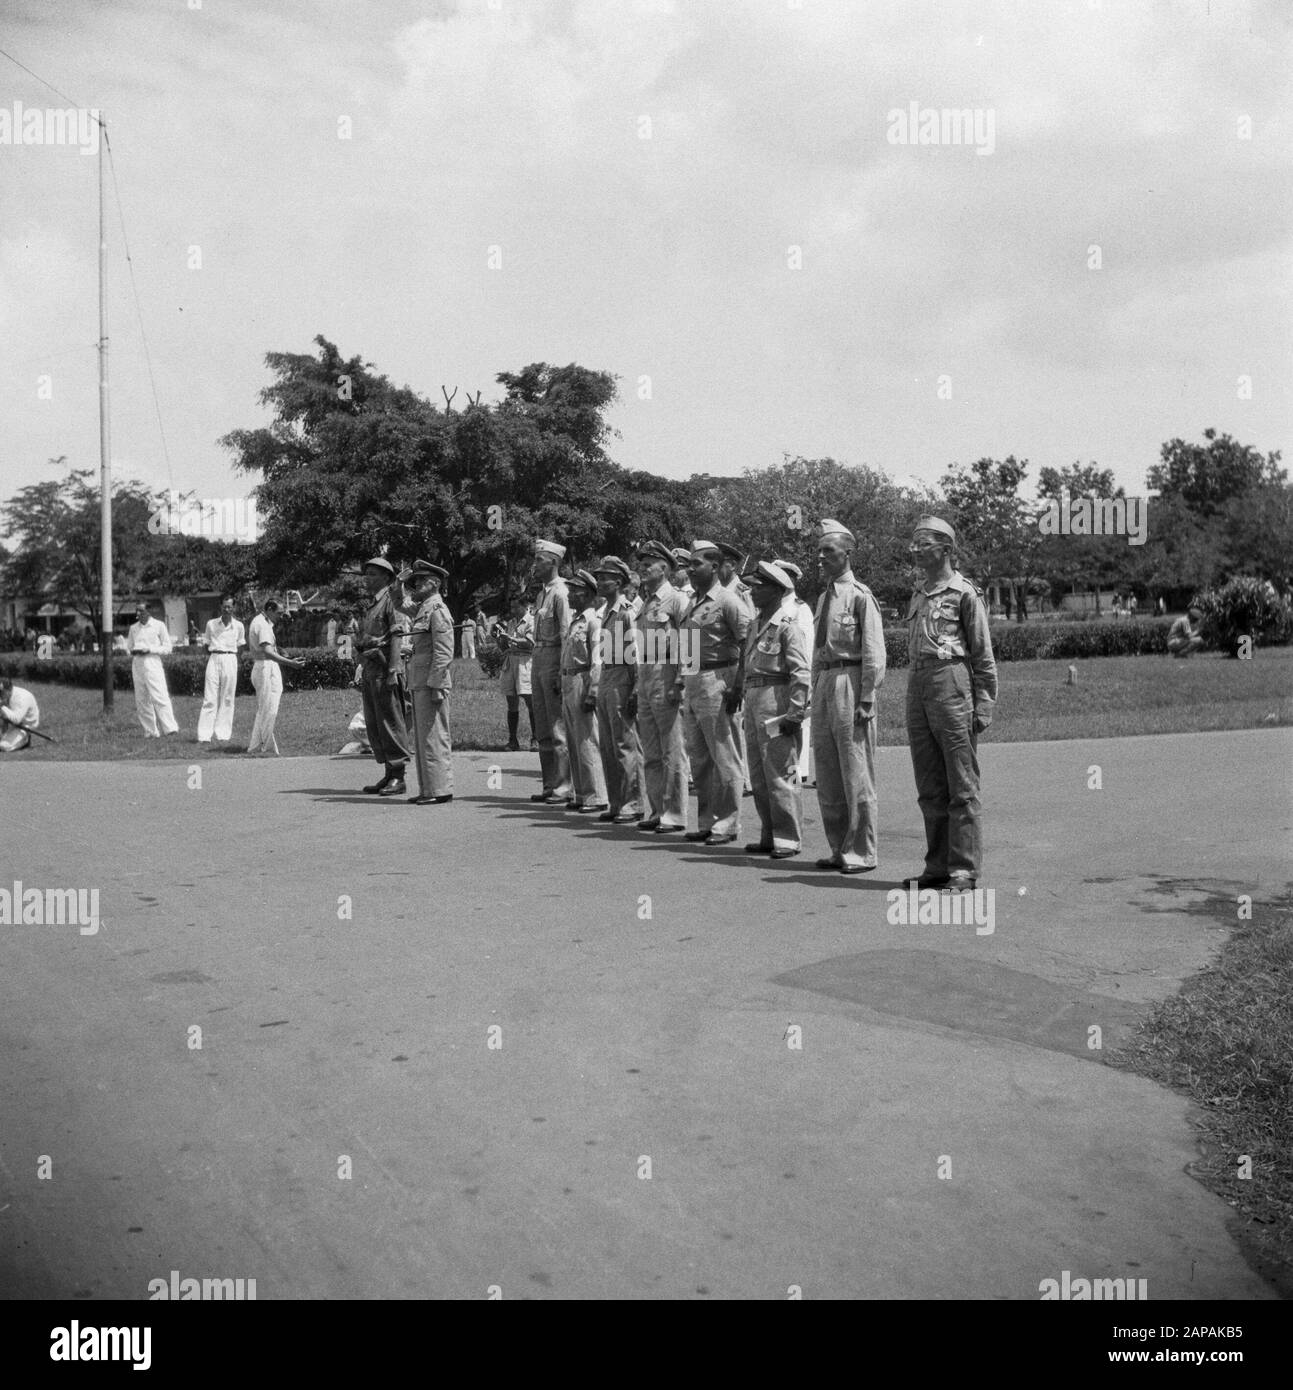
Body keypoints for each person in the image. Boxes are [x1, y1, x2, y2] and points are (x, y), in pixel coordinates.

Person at [904, 516, 998, 892]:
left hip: (952, 683)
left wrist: (985, 702)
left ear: (945, 549)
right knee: (929, 783)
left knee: (961, 782)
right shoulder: (918, 592)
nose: (914, 549)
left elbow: (983, 654)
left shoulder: (964, 594)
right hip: (919, 684)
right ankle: (937, 865)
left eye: (923, 543)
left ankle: (963, 869)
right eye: (914, 543)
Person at [810, 520, 887, 874]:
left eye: (829, 550)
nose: (821, 556)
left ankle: (861, 851)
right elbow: (816, 649)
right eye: (820, 550)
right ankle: (839, 847)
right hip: (826, 680)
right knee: (826, 771)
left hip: (851, 679)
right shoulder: (825, 597)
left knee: (855, 770)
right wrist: (814, 689)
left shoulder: (860, 595)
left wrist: (867, 696)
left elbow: (873, 650)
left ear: (848, 553)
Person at [677, 541, 751, 846]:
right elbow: (689, 646)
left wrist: (739, 684)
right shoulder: (693, 602)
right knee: (700, 758)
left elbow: (747, 640)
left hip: (719, 679)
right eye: (690, 565)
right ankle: (707, 820)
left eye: (698, 564)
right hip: (695, 680)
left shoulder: (728, 600)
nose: (691, 569)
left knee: (724, 755)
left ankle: (728, 823)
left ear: (716, 567)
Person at [741, 561, 810, 858]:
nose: (753, 592)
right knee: (758, 773)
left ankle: (788, 837)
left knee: (784, 771)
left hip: (777, 696)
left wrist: (795, 712)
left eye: (759, 587)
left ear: (776, 590)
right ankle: (768, 832)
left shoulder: (788, 626)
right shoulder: (756, 624)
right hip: (755, 696)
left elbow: (801, 672)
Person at [631, 541, 688, 833]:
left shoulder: (676, 599)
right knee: (651, 750)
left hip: (667, 670)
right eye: (641, 563)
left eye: (648, 563)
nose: (642, 567)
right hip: (646, 672)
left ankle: (675, 813)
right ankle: (656, 809)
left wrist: (680, 679)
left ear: (664, 567)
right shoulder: (645, 602)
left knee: (672, 748)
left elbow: (689, 640)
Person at [356, 557, 413, 795]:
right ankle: (389, 773)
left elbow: (397, 637)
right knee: (376, 723)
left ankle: (398, 775)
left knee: (391, 722)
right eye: (366, 573)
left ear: (387, 578)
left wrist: (393, 671)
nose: (367, 578)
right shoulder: (372, 606)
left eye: (372, 574)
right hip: (371, 670)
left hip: (384, 670)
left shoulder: (391, 602)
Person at [592, 556, 643, 824]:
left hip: (623, 675)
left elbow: (634, 653)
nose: (599, 582)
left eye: (605, 578)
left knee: (625, 742)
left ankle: (633, 802)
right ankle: (616, 801)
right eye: (598, 577)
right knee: (609, 744)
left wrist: (635, 687)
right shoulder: (607, 612)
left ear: (619, 582)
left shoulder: (626, 612)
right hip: (608, 674)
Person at [401, 561, 455, 804]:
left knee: (434, 735)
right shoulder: (424, 608)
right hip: (419, 679)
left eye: (421, 581)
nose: (416, 585)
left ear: (435, 584)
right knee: (424, 738)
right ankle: (428, 789)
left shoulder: (438, 610)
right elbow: (399, 603)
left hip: (431, 681)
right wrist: (397, 583)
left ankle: (439, 790)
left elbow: (444, 652)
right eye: (415, 582)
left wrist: (436, 684)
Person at [529, 540, 573, 804]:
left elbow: (567, 633)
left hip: (554, 658)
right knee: (543, 725)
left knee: (558, 726)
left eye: (539, 560)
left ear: (553, 562)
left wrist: (562, 669)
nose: (535, 565)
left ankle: (564, 785)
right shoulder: (541, 593)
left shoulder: (561, 592)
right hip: (538, 657)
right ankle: (549, 783)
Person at [561, 570, 608, 814]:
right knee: (573, 738)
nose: (569, 595)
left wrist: (593, 691)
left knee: (587, 738)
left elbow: (597, 659)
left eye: (574, 590)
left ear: (587, 594)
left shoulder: (593, 621)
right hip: (569, 679)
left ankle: (596, 794)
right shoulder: (575, 620)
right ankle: (580, 792)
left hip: (583, 679)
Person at [773, 559, 816, 786]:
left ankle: (797, 774)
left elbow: (806, 649)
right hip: (774, 680)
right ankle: (785, 776)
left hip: (794, 678)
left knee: (797, 727)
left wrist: (804, 683)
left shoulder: (800, 609)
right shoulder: (773, 607)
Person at [245, 599, 303, 755]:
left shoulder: (261, 622)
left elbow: (270, 648)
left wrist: (280, 652)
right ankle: (266, 746)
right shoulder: (262, 624)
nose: (281, 616)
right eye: (278, 612)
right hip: (265, 667)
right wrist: (290, 663)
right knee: (268, 709)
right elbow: (267, 652)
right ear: (269, 609)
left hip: (266, 666)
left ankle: (256, 745)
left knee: (267, 707)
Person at [197, 596, 246, 744]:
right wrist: (216, 655)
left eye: (229, 607)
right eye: (224, 606)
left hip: (230, 659)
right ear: (220, 607)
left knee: (228, 697)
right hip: (214, 658)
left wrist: (232, 657)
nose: (227, 609)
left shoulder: (239, 626)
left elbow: (241, 646)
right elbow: (206, 645)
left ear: (233, 608)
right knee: (209, 697)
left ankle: (223, 733)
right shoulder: (211, 624)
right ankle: (204, 735)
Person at [127, 600, 179, 738]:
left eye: (141, 610)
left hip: (152, 661)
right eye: (137, 610)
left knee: (159, 695)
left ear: (148, 611)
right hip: (138, 663)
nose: (138, 613)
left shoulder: (158, 625)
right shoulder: (133, 628)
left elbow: (168, 647)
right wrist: (134, 651)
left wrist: (150, 649)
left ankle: (170, 728)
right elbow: (130, 646)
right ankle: (150, 731)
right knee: (142, 699)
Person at [497, 595, 537, 750]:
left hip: (524, 663)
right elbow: (505, 647)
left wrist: (511, 639)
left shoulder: (531, 621)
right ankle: (513, 740)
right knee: (511, 701)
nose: (513, 610)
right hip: (510, 661)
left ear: (524, 606)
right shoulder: (511, 623)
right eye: (512, 607)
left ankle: (536, 738)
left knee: (530, 700)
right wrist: (500, 639)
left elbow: (530, 643)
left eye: (516, 607)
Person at [0, 677, 40, 752]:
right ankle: (5, 735)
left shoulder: (22, 698)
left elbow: (16, 720)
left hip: (25, 726)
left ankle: (26, 739)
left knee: (4, 746)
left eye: (1, 692)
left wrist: (2, 706)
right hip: (11, 723)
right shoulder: (7, 695)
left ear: (9, 690)